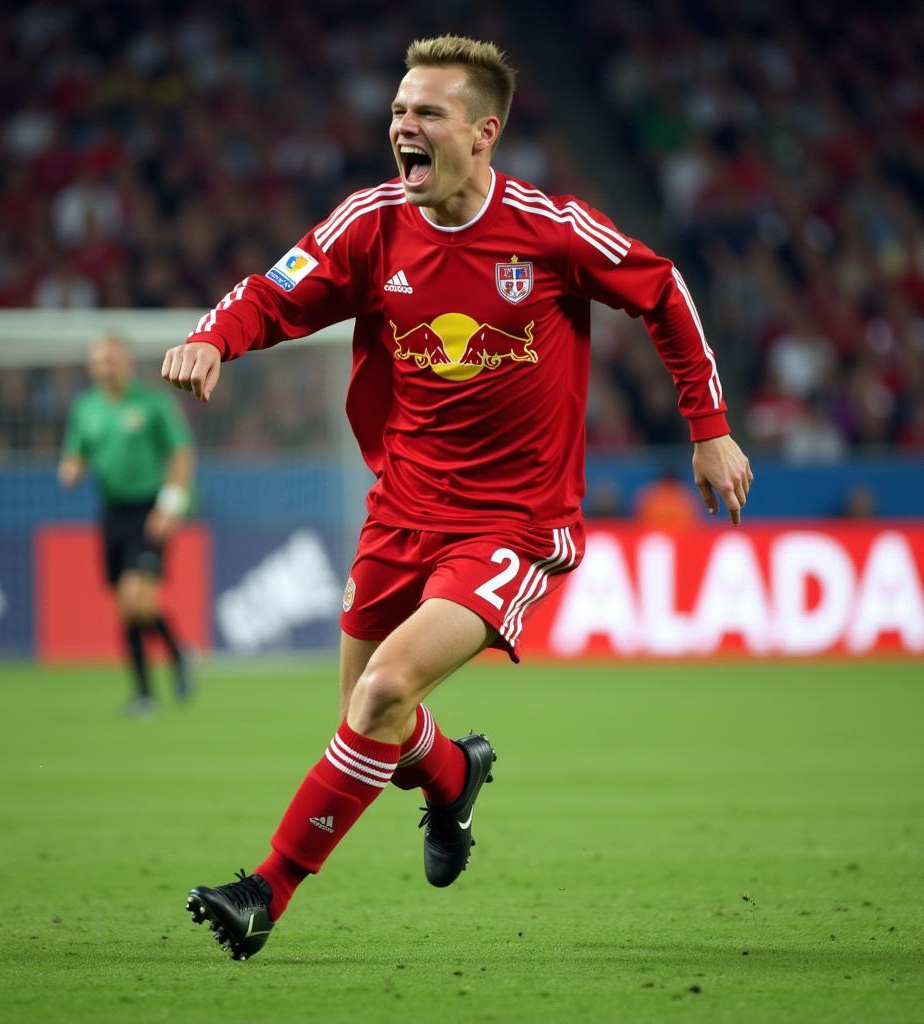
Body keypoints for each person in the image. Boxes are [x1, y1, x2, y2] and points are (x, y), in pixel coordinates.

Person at [162, 35, 753, 961]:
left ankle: (265, 891)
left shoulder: (551, 230)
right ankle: (452, 775)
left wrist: (707, 424)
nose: (405, 126)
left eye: (427, 113)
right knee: (372, 718)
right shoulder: (370, 223)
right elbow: (274, 293)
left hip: (514, 523)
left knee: (386, 691)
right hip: (400, 508)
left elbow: (664, 289)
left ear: (484, 134)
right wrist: (214, 340)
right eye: (400, 110)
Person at [59, 332, 196, 715]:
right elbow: (76, 451)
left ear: (128, 363)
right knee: (126, 606)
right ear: (91, 366)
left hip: (149, 509)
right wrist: (71, 467)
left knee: (139, 598)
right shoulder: (85, 408)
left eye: (113, 358)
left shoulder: (152, 402)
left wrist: (171, 504)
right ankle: (158, 677)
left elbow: (181, 452)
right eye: (100, 359)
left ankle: (158, 678)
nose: (107, 365)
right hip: (112, 511)